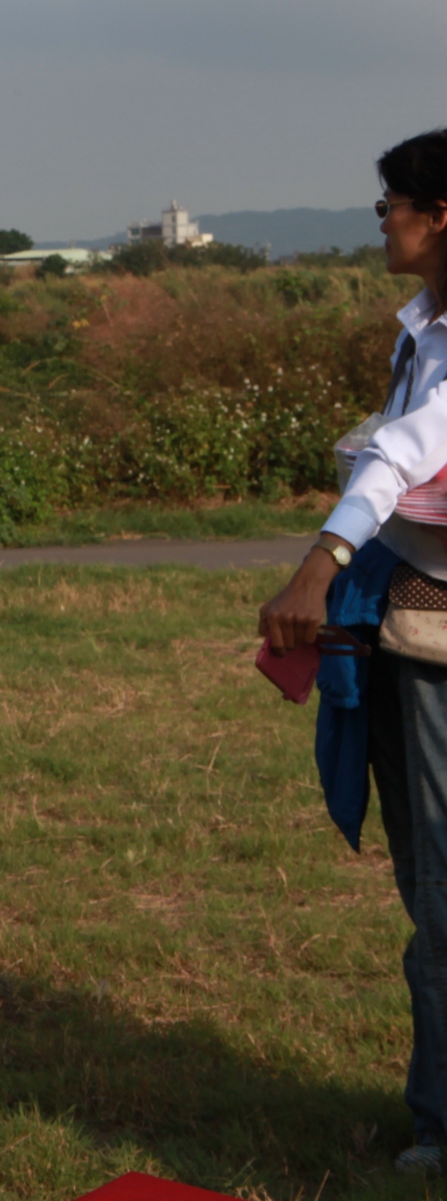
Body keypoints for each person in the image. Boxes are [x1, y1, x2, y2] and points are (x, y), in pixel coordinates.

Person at [260, 128, 447, 1174]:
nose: (382, 218)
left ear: (439, 213)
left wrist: (320, 560)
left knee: (440, 888)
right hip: (407, 620)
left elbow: (409, 449)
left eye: (392, 202)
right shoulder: (422, 328)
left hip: (431, 631)